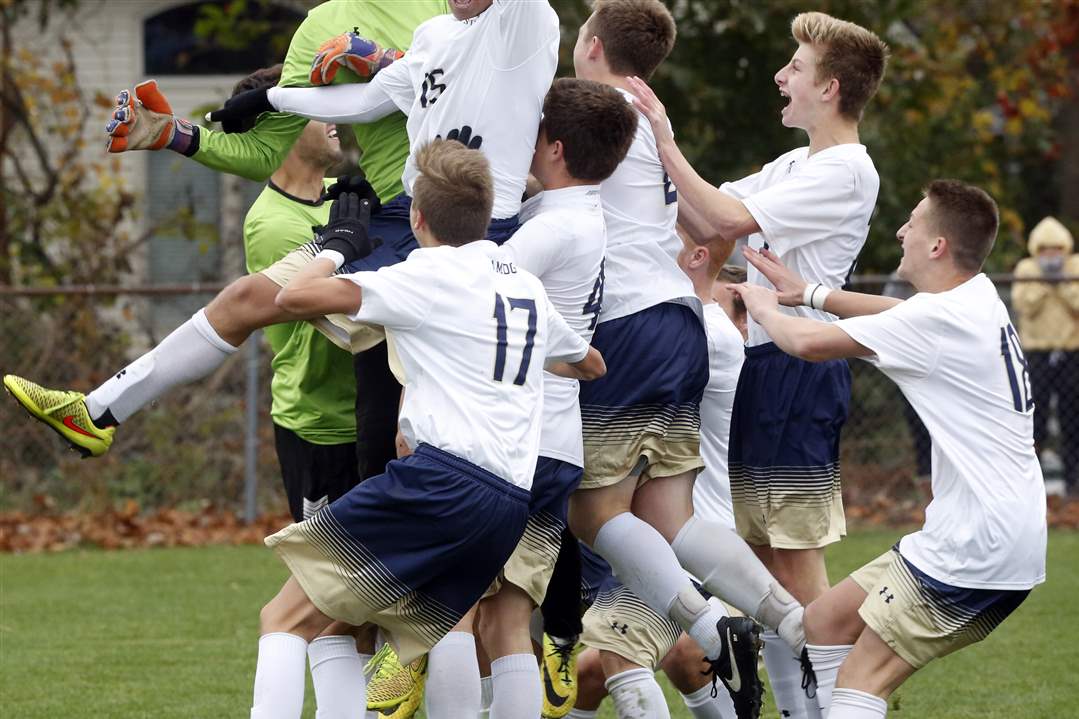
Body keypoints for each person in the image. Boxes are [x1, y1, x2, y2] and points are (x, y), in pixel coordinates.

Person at [3, 0, 559, 482]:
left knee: (447, 440)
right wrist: (270, 101)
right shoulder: (418, 33)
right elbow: (364, 103)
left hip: (477, 232)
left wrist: (370, 60)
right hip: (396, 220)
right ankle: (96, 412)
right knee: (255, 305)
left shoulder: (522, 21)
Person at [249, 139, 605, 719]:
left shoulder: (424, 274)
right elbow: (588, 363)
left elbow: (296, 294)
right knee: (442, 631)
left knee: (285, 619)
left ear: (416, 217)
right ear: (487, 216)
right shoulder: (523, 284)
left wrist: (335, 245)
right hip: (509, 498)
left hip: (442, 482)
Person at [628, 14, 888, 717]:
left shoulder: (845, 167)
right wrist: (631, 153)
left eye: (795, 66)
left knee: (796, 566)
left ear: (829, 88)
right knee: (762, 570)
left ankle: (833, 707)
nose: (781, 75)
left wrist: (662, 136)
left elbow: (721, 218)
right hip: (763, 367)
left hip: (798, 373)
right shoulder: (796, 161)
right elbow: (700, 215)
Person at [566, 5, 817, 717]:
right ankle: (785, 619)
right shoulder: (646, 115)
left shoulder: (589, 107)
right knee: (667, 515)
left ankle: (714, 628)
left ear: (590, 45)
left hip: (627, 322)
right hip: (680, 318)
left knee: (592, 513)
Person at [734, 180, 1047, 719]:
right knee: (826, 621)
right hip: (992, 538)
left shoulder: (937, 319)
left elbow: (807, 345)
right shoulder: (974, 296)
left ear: (936, 246)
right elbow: (890, 310)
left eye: (913, 222)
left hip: (974, 550)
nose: (901, 231)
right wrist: (807, 293)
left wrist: (760, 307)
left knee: (862, 681)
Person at [105, 0, 446, 480]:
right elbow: (271, 147)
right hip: (395, 232)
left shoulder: (462, 9)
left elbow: (446, 76)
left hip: (471, 220)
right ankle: (98, 408)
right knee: (393, 458)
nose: (330, 124)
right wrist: (174, 134)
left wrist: (376, 60)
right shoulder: (323, 25)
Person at [572, 241, 749, 719]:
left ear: (695, 259)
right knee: (592, 671)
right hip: (649, 531)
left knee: (622, 651)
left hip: (683, 535)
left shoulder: (706, 329)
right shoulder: (690, 326)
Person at [1011, 216, 1079, 494]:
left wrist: (1061, 280)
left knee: (1072, 418)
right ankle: (1032, 487)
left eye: (1056, 249)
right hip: (1036, 355)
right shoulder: (1027, 267)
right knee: (1033, 420)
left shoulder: (1075, 266)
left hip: (1071, 352)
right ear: (1036, 250)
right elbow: (1023, 305)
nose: (1051, 255)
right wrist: (1043, 280)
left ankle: (1074, 484)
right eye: (1045, 250)